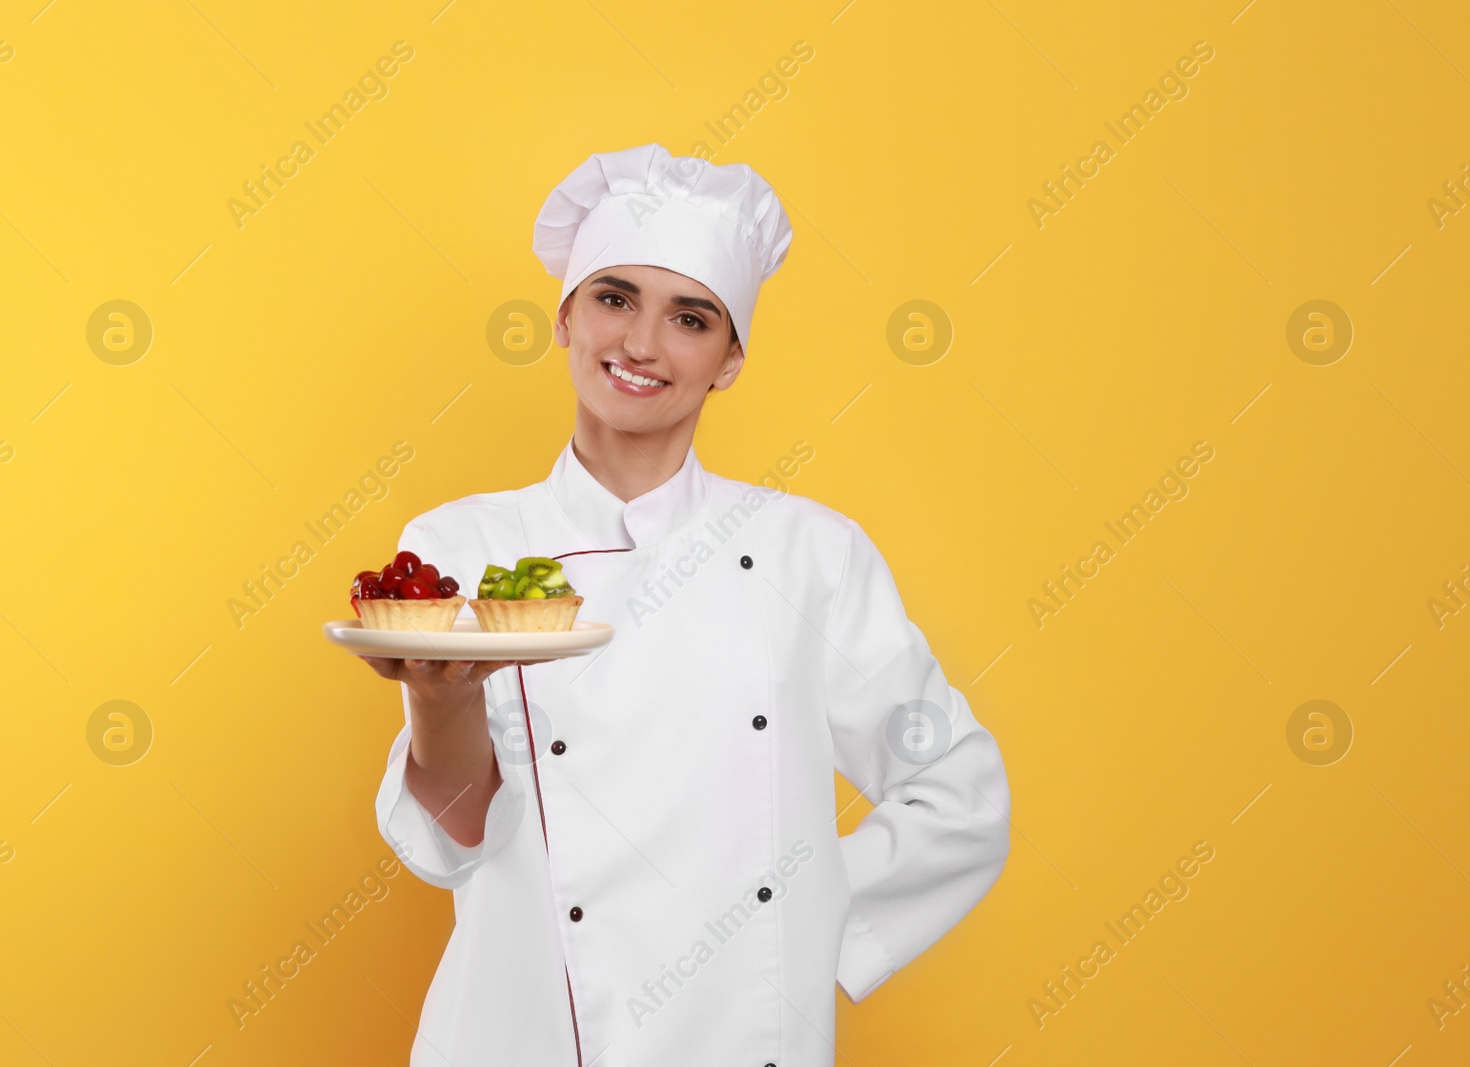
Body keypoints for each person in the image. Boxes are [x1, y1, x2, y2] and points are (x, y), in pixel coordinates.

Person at [359, 142, 1011, 1067]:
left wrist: (794, 915)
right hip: (516, 1035)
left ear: (731, 358)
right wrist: (438, 696)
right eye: (614, 297)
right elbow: (455, 844)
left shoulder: (810, 554)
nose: (640, 344)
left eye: (691, 317)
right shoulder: (464, 546)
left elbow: (960, 792)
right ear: (565, 316)